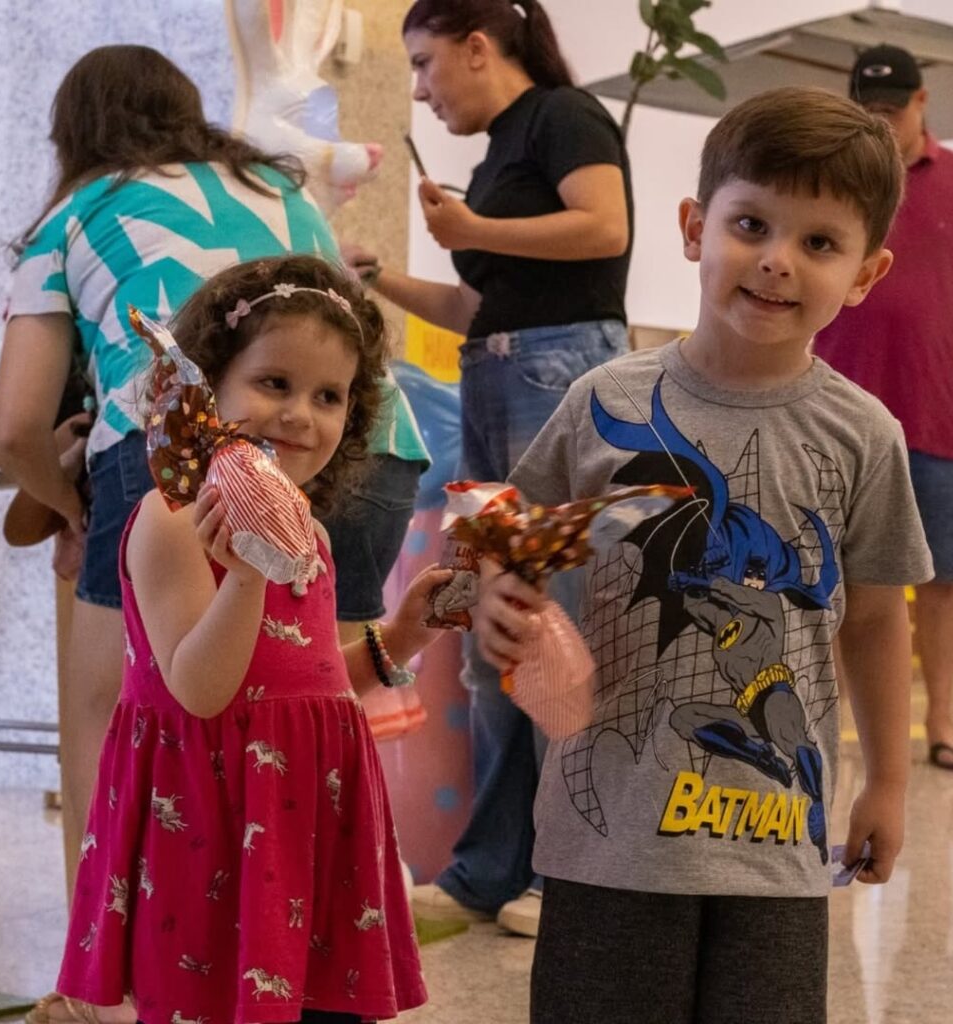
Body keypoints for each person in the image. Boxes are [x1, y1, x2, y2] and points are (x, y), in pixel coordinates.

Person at [473, 87, 933, 1023]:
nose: (776, 260)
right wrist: (489, 591)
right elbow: (506, 535)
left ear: (866, 273)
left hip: (776, 842)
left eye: (818, 242)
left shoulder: (863, 435)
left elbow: (879, 619)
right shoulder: (608, 400)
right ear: (693, 227)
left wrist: (888, 779)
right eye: (752, 223)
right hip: (606, 833)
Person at [52, 254, 448, 1024]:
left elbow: (318, 690)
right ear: (205, 390)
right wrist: (245, 576)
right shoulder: (172, 523)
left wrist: (404, 633)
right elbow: (201, 690)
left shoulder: (314, 536)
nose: (302, 414)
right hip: (211, 834)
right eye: (275, 384)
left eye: (329, 395)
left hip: (307, 829)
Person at [344, 0, 633, 937]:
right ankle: (490, 867)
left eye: (427, 65)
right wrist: (379, 277)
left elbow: (604, 230)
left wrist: (472, 223)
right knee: (491, 631)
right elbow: (480, 308)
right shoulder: (505, 149)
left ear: (480, 46)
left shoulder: (564, 116)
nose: (421, 90)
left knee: (557, 631)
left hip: (557, 376)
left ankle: (563, 871)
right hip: (502, 373)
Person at [814, 44, 953, 772]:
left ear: (922, 103)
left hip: (936, 412)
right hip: (831, 417)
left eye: (892, 111)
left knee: (941, 577)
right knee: (824, 576)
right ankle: (822, 725)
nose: (881, 123)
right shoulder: (831, 180)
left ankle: (945, 722)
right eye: (866, 110)